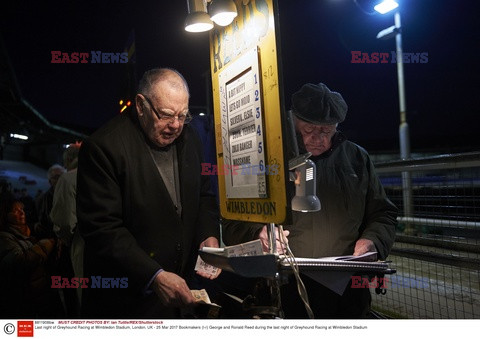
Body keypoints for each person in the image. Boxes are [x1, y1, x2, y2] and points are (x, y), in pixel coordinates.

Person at [222, 82, 397, 319]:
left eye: (326, 131)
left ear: (337, 126)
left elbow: (383, 213)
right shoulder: (264, 158)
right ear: (293, 122)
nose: (318, 139)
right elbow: (233, 221)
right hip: (284, 287)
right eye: (309, 130)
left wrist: (372, 241)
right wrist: (258, 234)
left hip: (346, 291)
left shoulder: (356, 158)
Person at [76, 68, 221, 318]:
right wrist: (153, 276)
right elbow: (102, 228)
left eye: (183, 115)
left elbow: (204, 195)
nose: (175, 125)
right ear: (141, 105)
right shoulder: (103, 147)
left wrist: (208, 235)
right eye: (166, 115)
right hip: (126, 302)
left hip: (180, 297)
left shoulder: (191, 138)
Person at [0, 194, 64, 318]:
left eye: (22, 209)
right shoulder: (4, 238)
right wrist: (45, 245)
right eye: (15, 210)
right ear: (5, 215)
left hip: (41, 298)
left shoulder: (27, 232)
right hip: (24, 302)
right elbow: (20, 261)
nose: (21, 212)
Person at [50, 143, 82, 317]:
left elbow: (64, 222)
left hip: (77, 248)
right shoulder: (104, 176)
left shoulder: (68, 179)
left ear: (69, 160)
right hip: (108, 249)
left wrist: (67, 240)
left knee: (75, 302)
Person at [34, 164, 66, 239]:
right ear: (49, 181)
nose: (60, 179)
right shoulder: (41, 199)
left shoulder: (71, 195)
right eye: (56, 177)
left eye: (62, 176)